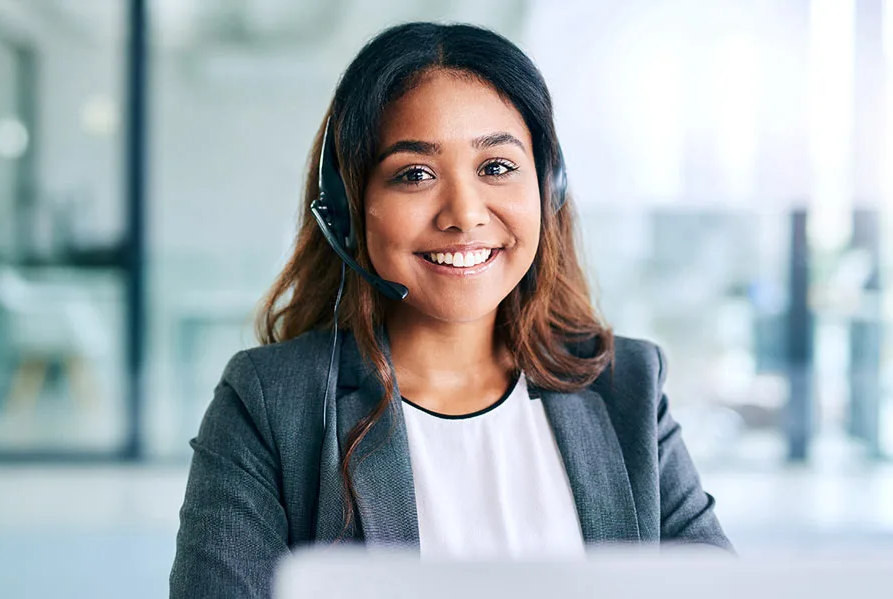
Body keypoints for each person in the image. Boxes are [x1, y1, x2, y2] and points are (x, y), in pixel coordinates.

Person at [170, 21, 733, 598]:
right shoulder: (270, 404)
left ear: (548, 189)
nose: (464, 214)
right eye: (415, 174)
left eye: (496, 167)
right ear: (347, 210)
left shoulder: (626, 387)